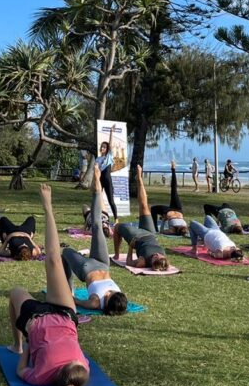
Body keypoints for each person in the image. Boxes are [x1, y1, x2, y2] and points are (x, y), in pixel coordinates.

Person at [7, 184, 90, 386]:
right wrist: (28, 348)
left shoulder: (46, 376)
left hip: (38, 316)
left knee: (17, 290)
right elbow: (21, 369)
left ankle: (15, 344)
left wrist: (25, 346)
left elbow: (21, 371)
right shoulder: (79, 371)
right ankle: (48, 208)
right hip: (64, 313)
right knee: (53, 259)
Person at [61, 166, 128, 315]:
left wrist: (70, 298)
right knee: (97, 225)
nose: (108, 292)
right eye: (111, 292)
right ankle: (97, 190)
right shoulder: (120, 298)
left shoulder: (95, 302)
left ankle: (69, 288)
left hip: (87, 268)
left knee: (66, 252)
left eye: (108, 295)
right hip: (103, 262)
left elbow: (76, 302)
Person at [113, 165, 170, 271]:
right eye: (160, 255)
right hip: (150, 232)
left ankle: (117, 254)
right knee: (144, 205)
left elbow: (129, 262)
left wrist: (130, 246)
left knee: (116, 227)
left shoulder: (143, 262)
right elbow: (164, 265)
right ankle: (139, 177)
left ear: (152, 263)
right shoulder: (164, 261)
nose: (157, 254)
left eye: (155, 257)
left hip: (137, 237)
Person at [150, 161, 189, 236]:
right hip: (173, 211)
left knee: (174, 190)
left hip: (177, 212)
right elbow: (162, 231)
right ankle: (173, 169)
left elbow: (161, 231)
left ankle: (173, 169)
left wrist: (164, 220)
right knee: (174, 190)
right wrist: (164, 220)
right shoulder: (176, 230)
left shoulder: (178, 228)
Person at [95, 129, 118, 220]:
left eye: (104, 147)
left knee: (111, 201)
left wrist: (111, 132)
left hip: (108, 181)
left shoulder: (109, 156)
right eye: (101, 147)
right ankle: (98, 217)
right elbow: (96, 171)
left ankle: (116, 219)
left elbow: (110, 144)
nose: (102, 148)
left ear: (107, 149)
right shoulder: (98, 158)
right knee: (97, 199)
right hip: (100, 180)